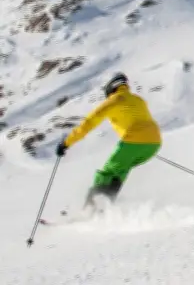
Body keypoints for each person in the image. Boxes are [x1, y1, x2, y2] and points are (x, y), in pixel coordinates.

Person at [56, 73, 162, 209]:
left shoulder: (114, 101)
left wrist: (66, 143)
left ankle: (91, 210)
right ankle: (106, 206)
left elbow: (88, 123)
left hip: (134, 142)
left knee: (107, 173)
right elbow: (137, 120)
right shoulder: (138, 100)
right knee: (120, 170)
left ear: (111, 87)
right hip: (154, 143)